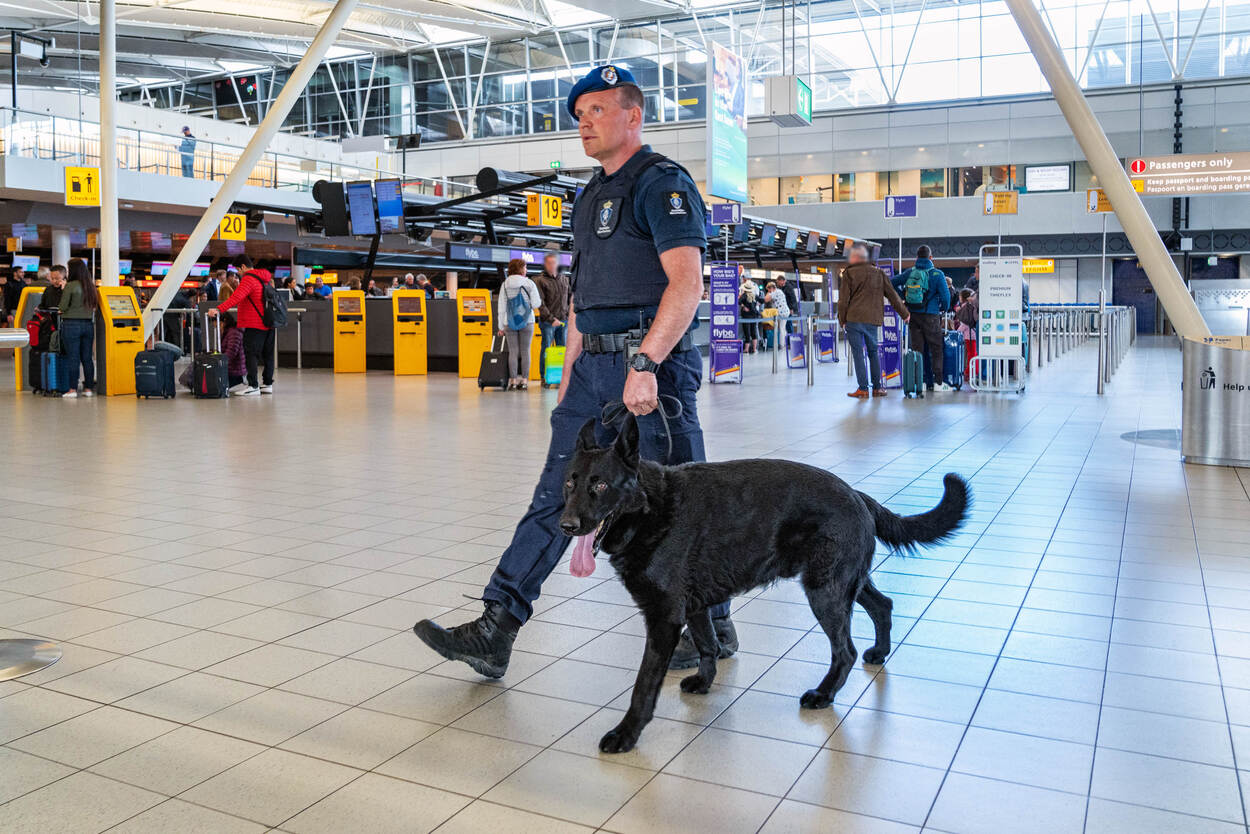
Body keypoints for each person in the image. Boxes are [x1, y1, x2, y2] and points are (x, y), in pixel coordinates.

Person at [413, 63, 736, 678]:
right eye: (579, 114)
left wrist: (645, 362)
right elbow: (585, 299)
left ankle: (710, 627)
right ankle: (496, 626)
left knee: (677, 504)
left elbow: (687, 285)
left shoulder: (661, 184)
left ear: (633, 115)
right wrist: (569, 377)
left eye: (597, 111)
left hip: (652, 370)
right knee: (558, 495)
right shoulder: (589, 196)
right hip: (592, 374)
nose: (584, 123)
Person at [839, 243, 909, 399]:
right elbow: (892, 295)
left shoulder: (849, 273)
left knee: (858, 354)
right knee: (873, 353)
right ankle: (877, 388)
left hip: (853, 319)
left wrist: (842, 319)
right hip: (872, 319)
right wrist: (904, 314)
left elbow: (843, 301)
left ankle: (863, 389)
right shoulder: (879, 273)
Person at [893, 244, 952, 392]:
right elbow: (946, 297)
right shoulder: (937, 274)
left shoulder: (910, 272)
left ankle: (922, 382)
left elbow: (892, 283)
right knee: (936, 349)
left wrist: (904, 297)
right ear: (931, 257)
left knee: (918, 350)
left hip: (914, 316)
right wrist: (943, 308)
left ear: (917, 257)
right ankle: (938, 383)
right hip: (931, 316)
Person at [209, 267, 275, 395]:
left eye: (238, 270)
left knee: (251, 354)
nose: (238, 273)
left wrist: (219, 309)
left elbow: (236, 298)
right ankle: (267, 384)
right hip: (269, 321)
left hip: (254, 323)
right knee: (268, 354)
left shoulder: (249, 279)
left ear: (243, 267)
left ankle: (253, 385)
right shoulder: (265, 279)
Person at [497, 258, 542, 390]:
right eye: (525, 267)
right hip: (527, 321)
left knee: (513, 351)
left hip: (509, 321)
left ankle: (513, 381)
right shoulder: (529, 283)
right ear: (521, 269)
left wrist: (501, 326)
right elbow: (536, 304)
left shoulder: (505, 284)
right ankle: (524, 381)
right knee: (525, 351)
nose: (526, 269)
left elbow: (501, 307)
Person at [57, 258, 98, 398]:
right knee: (87, 358)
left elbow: (62, 307)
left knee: (73, 358)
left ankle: (72, 390)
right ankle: (88, 389)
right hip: (88, 325)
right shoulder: (91, 286)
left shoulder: (70, 286)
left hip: (71, 325)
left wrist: (63, 290)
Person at [533, 251, 569, 385]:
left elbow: (570, 298)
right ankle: (544, 376)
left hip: (563, 321)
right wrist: (551, 319)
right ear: (545, 264)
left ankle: (560, 377)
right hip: (548, 322)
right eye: (548, 263)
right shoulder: (539, 281)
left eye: (553, 263)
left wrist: (568, 316)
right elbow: (540, 303)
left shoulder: (564, 279)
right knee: (546, 348)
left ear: (557, 263)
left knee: (562, 349)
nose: (551, 265)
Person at [220, 312, 248, 393]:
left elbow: (231, 352)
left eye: (219, 324)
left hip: (236, 372)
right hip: (232, 369)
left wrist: (219, 362)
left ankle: (241, 380)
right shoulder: (229, 332)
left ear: (224, 322)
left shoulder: (233, 333)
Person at [738, 282, 761, 354]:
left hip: (746, 316)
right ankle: (754, 349)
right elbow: (762, 300)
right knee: (753, 332)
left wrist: (744, 306)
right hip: (754, 315)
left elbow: (738, 301)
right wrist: (757, 304)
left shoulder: (744, 295)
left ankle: (746, 350)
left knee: (747, 332)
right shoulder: (754, 295)